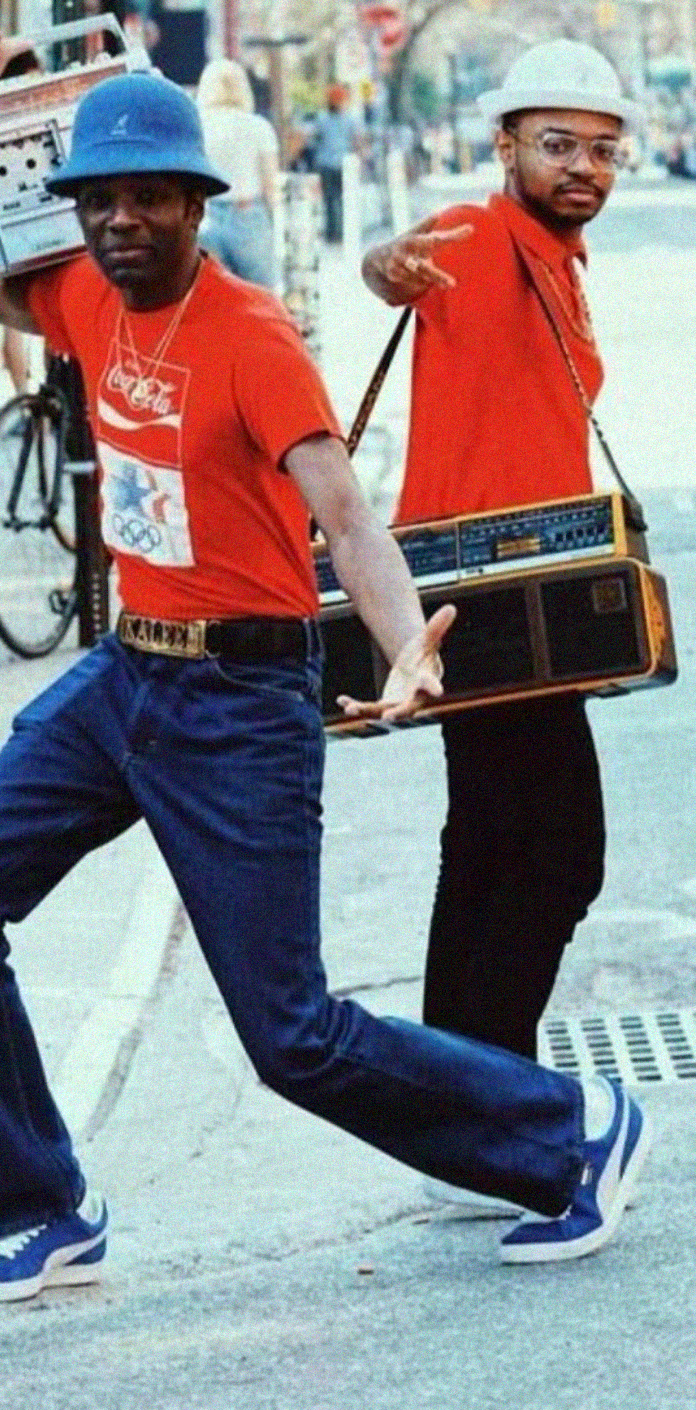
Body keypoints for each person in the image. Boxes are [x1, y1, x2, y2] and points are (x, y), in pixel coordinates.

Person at [0, 56, 650, 1302]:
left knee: (291, 1039)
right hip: (124, 679)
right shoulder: (82, 292)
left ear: (197, 203)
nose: (121, 222)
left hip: (241, 701)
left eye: (149, 199)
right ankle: (40, 1206)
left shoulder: (250, 337)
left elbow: (345, 515)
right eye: (99, 201)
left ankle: (571, 1133)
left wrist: (405, 645)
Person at [362, 41, 637, 1135]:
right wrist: (385, 263)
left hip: (525, 596)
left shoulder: (560, 257)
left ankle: (462, 1089)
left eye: (604, 150)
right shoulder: (479, 237)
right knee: (563, 852)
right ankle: (493, 1098)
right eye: (559, 145)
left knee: (488, 839)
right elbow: (397, 269)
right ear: (506, 147)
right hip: (484, 598)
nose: (585, 167)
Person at [194, 57, 279, 288]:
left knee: (210, 297)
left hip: (205, 216)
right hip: (248, 212)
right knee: (261, 297)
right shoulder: (259, 126)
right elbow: (270, 184)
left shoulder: (197, 126)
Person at [311, 85, 363, 243]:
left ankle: (331, 234)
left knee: (329, 200)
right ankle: (341, 233)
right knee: (342, 199)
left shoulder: (321, 119)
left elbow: (315, 138)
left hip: (325, 164)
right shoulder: (351, 119)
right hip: (343, 165)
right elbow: (357, 141)